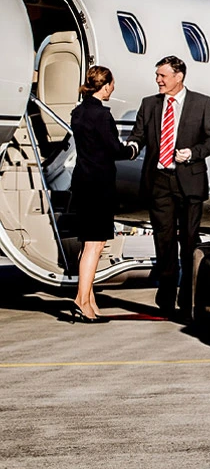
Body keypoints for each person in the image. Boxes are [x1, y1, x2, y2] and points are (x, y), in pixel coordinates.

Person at [127, 56, 210, 320]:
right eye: (157, 75)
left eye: (163, 76)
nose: (158, 80)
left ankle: (188, 296)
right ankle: (166, 297)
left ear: (178, 77)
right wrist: (131, 147)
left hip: (189, 181)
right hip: (159, 181)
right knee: (164, 241)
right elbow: (138, 135)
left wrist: (192, 153)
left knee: (189, 241)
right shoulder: (149, 104)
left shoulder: (202, 103)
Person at [67, 66, 139, 323]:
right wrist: (133, 149)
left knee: (88, 243)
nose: (113, 88)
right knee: (95, 245)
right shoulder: (102, 115)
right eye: (112, 84)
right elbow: (114, 149)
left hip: (82, 182)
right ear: (105, 85)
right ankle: (81, 301)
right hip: (99, 185)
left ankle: (90, 300)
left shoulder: (78, 112)